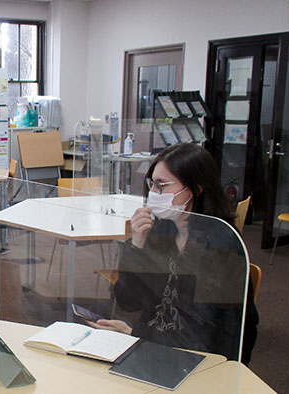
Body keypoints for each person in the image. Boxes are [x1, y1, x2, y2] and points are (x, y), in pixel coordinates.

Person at [90, 143, 258, 364]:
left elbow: (203, 333)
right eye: (151, 184)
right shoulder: (163, 231)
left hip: (195, 362)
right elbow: (128, 301)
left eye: (162, 185)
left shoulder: (219, 244)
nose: (153, 194)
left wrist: (137, 336)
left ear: (195, 189)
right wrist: (137, 245)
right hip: (155, 347)